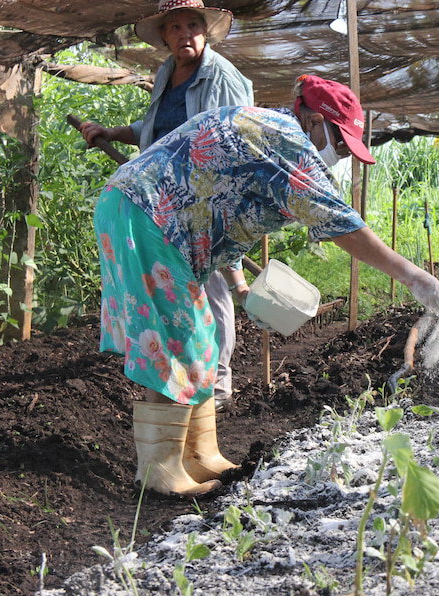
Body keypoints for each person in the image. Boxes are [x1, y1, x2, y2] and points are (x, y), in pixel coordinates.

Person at [94, 74, 439, 497]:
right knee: (178, 338)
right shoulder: (285, 141)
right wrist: (412, 276)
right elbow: (340, 223)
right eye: (340, 144)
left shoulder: (272, 132)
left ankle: (199, 453)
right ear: (316, 121)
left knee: (202, 336)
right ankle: (159, 471)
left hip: (151, 216)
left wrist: (241, 285)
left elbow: (221, 207)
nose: (339, 156)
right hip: (148, 215)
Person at [80, 0, 252, 413]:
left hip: (204, 201)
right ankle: (186, 371)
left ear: (205, 31)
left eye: (192, 25)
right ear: (165, 37)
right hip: (163, 200)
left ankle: (219, 382)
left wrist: (215, 203)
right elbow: (152, 129)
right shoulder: (165, 74)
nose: (184, 34)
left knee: (210, 288)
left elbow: (238, 135)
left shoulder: (222, 76)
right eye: (174, 28)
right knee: (180, 287)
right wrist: (114, 132)